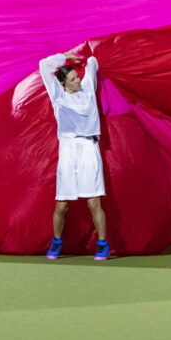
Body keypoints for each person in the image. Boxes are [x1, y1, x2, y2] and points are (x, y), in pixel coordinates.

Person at [38, 51, 109, 260]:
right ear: (63, 83)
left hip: (89, 147)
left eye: (77, 77)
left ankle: (103, 244)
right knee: (62, 205)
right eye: (72, 79)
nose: (78, 81)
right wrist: (66, 56)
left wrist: (85, 58)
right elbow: (44, 64)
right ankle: (56, 242)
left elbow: (94, 62)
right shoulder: (57, 95)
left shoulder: (87, 88)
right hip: (68, 150)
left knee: (93, 202)